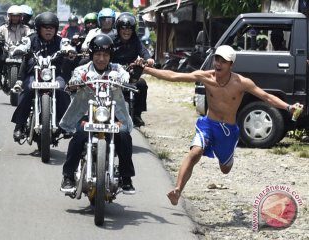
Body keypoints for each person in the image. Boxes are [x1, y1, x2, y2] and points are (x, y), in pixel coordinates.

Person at [134, 45, 302, 205]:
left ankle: (227, 158)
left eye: (223, 61)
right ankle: (177, 190)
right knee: (195, 152)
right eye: (217, 60)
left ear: (231, 64)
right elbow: (173, 76)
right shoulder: (206, 77)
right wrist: (146, 70)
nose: (218, 64)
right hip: (208, 124)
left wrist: (288, 107)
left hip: (228, 131)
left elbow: (266, 97)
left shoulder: (242, 82)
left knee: (225, 169)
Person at [59, 34, 136, 195]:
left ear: (110, 56)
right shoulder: (82, 70)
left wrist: (127, 80)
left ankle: (126, 178)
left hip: (113, 116)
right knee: (79, 135)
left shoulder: (117, 70)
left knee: (123, 135)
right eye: (98, 55)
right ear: (92, 55)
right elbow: (73, 80)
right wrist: (74, 84)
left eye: (106, 55)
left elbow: (126, 76)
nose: (101, 58)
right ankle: (68, 176)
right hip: (87, 114)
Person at [11, 12, 71, 142]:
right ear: (39, 28)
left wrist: (69, 50)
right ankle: (19, 125)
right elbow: (23, 44)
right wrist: (19, 49)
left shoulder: (61, 40)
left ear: (56, 29)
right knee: (27, 91)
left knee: (62, 90)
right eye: (45, 27)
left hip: (55, 75)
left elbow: (67, 45)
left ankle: (66, 124)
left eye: (52, 27)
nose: (49, 30)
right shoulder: (31, 39)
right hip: (34, 74)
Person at [112, 12, 155, 127]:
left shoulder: (136, 41)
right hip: (112, 73)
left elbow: (144, 51)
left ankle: (137, 114)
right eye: (124, 28)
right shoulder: (112, 40)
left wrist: (149, 59)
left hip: (129, 73)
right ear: (118, 29)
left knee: (141, 84)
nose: (127, 31)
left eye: (129, 29)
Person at [0, 5, 31, 90]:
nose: (15, 18)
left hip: (21, 52)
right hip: (8, 51)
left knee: (29, 63)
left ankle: (29, 81)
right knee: (0, 60)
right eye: (13, 16)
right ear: (9, 17)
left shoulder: (25, 28)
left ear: (21, 17)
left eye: (17, 16)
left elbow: (30, 35)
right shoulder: (3, 28)